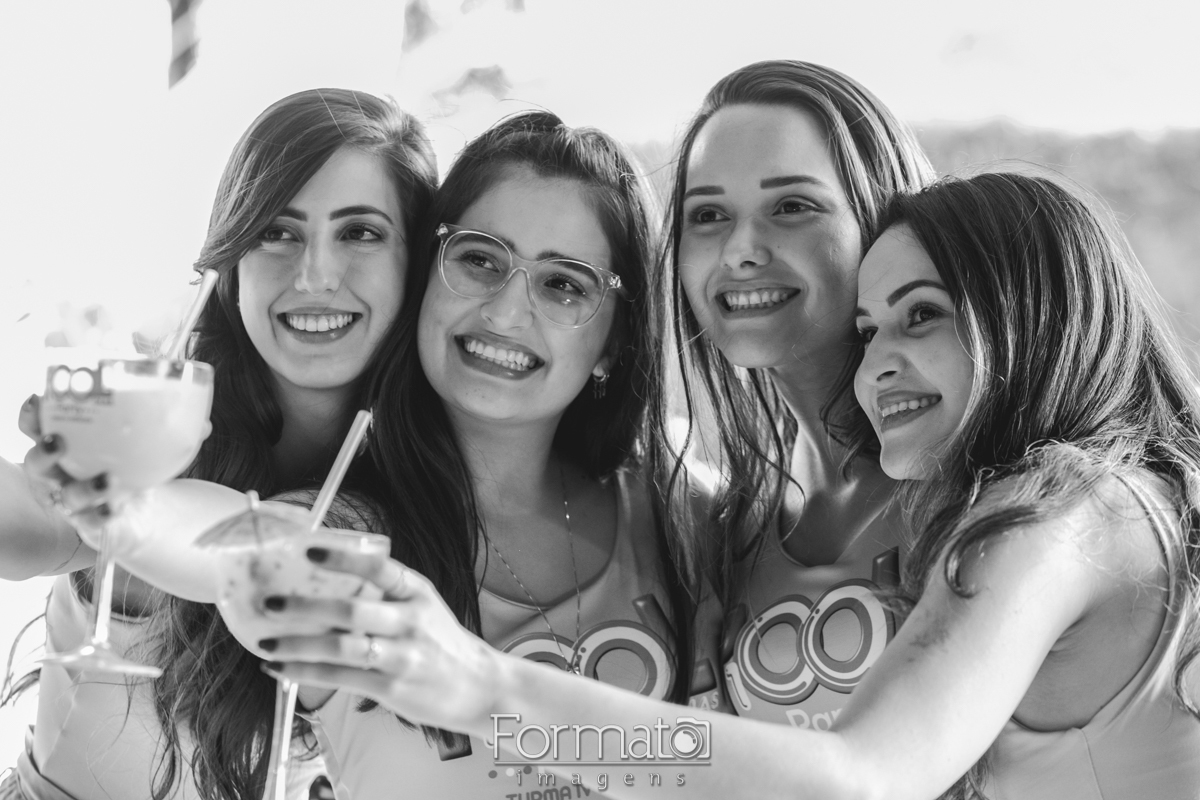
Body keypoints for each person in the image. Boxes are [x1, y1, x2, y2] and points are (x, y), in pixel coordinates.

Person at [266, 170, 1200, 799]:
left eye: (923, 316)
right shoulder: (1101, 503)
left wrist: (488, 692)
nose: (877, 364)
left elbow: (856, 777)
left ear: (1033, 312)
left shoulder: (1063, 517)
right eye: (869, 330)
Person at [236, 110, 704, 799]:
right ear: (425, 275)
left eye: (564, 284)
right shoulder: (335, 534)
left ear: (614, 342)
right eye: (480, 259)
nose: (506, 313)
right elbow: (210, 551)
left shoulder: (687, 516)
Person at [1, 87, 437, 800]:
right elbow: (36, 524)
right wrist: (80, 500)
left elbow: (257, 549)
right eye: (278, 232)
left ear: (414, 265)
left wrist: (126, 519)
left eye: (360, 232)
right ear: (231, 265)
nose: (315, 275)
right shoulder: (158, 426)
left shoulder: (421, 488)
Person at [656, 59, 933, 726]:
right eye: (708, 214)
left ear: (881, 218)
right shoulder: (733, 526)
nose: (740, 250)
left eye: (791, 206)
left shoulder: (979, 475)